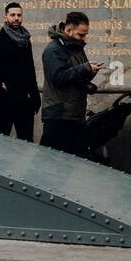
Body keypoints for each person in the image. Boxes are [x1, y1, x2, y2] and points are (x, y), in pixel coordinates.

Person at [40, 11, 103, 156]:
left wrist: (90, 72)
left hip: (75, 114)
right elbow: (58, 77)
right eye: (81, 34)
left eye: (85, 34)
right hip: (59, 116)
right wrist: (85, 67)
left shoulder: (76, 47)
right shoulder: (53, 50)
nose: (84, 38)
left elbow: (75, 77)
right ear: (69, 30)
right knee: (52, 161)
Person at [0, 2, 40, 141]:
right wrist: (0, 88)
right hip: (4, 103)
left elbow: (30, 69)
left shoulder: (26, 40)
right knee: (1, 144)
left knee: (27, 143)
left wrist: (34, 97)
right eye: (13, 15)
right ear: (5, 17)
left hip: (25, 103)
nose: (16, 18)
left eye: (19, 15)